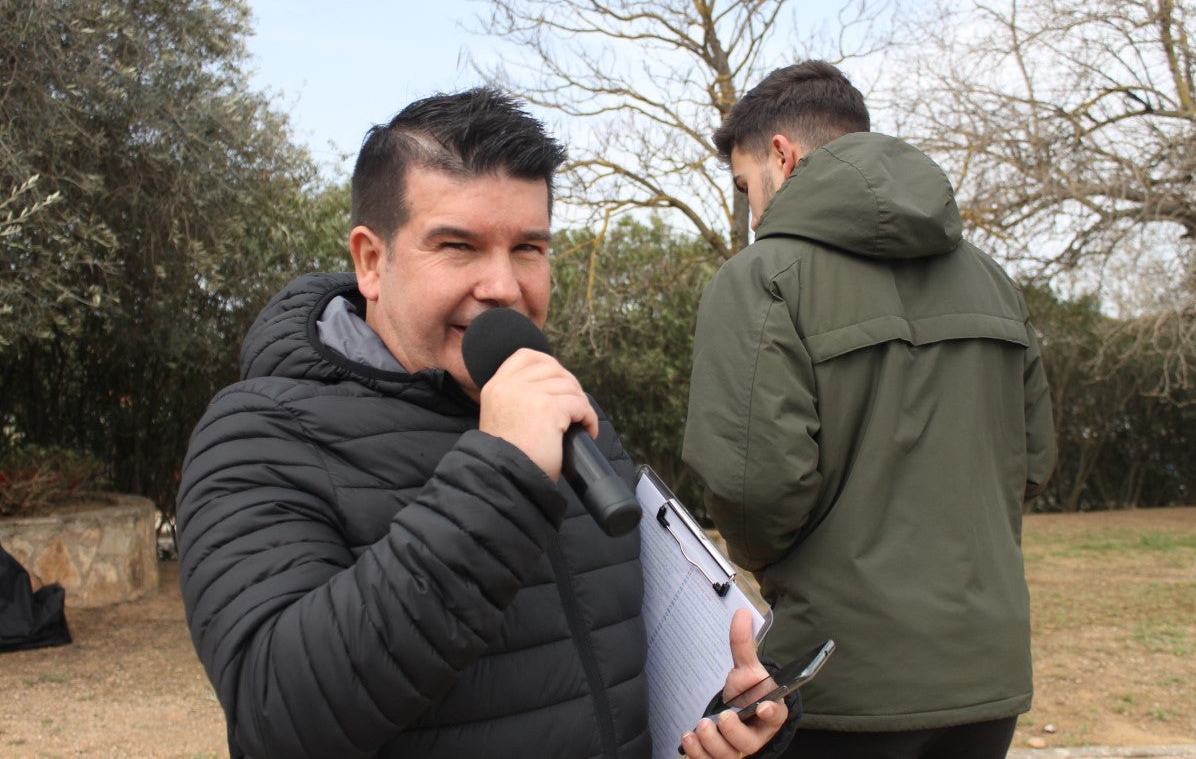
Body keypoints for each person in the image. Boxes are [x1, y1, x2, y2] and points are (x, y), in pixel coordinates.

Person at [177, 87, 795, 759]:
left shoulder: (567, 412)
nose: (503, 285)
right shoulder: (258, 433)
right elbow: (277, 717)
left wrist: (717, 718)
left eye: (529, 247)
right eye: (458, 245)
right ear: (371, 261)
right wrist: (502, 469)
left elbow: (608, 671)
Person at [682, 61, 1058, 759]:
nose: (753, 213)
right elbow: (1032, 461)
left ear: (782, 156)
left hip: (838, 680)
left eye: (744, 188)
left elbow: (752, 486)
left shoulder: (761, 279)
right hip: (987, 672)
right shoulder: (993, 280)